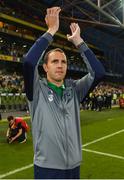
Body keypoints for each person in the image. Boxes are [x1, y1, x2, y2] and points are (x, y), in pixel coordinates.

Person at [23, 7, 105, 179]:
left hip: (74, 168)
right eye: (54, 61)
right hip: (47, 169)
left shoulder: (74, 89)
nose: (60, 65)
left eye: (63, 62)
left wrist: (79, 42)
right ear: (45, 67)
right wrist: (51, 30)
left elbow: (98, 73)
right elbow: (29, 62)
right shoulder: (37, 90)